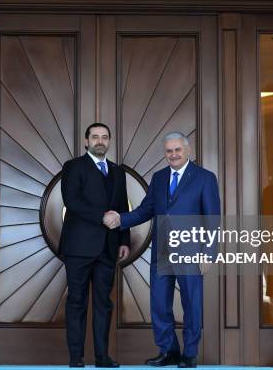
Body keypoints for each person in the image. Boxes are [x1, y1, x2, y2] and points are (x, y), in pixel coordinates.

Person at [104, 132, 220, 368]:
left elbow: (213, 218)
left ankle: (189, 353)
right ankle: (169, 351)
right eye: (169, 151)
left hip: (192, 252)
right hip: (162, 252)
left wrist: (209, 253)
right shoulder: (158, 177)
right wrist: (120, 219)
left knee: (191, 303)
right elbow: (146, 210)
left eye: (177, 150)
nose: (173, 155)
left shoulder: (205, 178)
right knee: (159, 303)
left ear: (187, 151)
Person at [59, 123, 131, 368]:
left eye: (105, 137)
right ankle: (75, 359)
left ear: (109, 141)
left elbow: (123, 207)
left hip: (109, 248)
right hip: (78, 247)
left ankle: (102, 357)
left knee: (103, 303)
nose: (100, 141)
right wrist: (102, 216)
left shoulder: (118, 172)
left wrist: (124, 240)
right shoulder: (73, 167)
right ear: (86, 142)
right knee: (76, 302)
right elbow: (71, 200)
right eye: (95, 137)